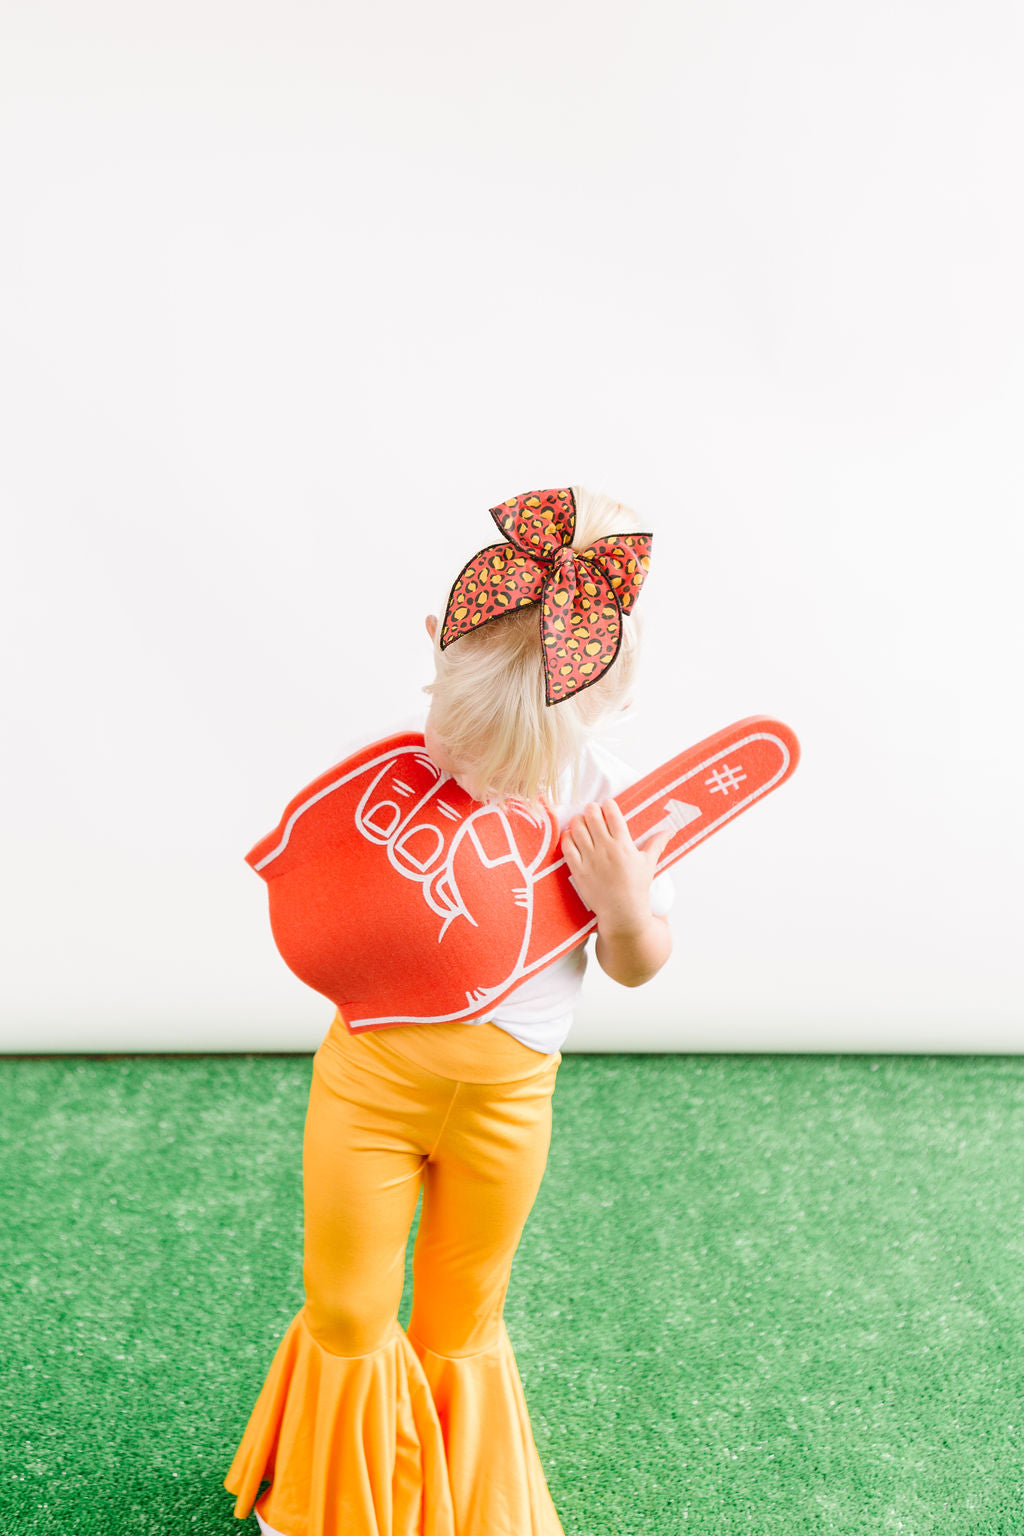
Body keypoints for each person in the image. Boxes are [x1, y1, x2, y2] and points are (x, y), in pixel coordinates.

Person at [223, 485, 676, 1536]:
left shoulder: (611, 809)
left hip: (508, 1107)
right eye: (461, 743)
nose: (473, 775)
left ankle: (454, 1507)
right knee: (344, 1307)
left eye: (511, 763)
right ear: (433, 651)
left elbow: (641, 966)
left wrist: (625, 910)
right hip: (370, 1086)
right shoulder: (399, 777)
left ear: (606, 709)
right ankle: (332, 1501)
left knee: (461, 1319)